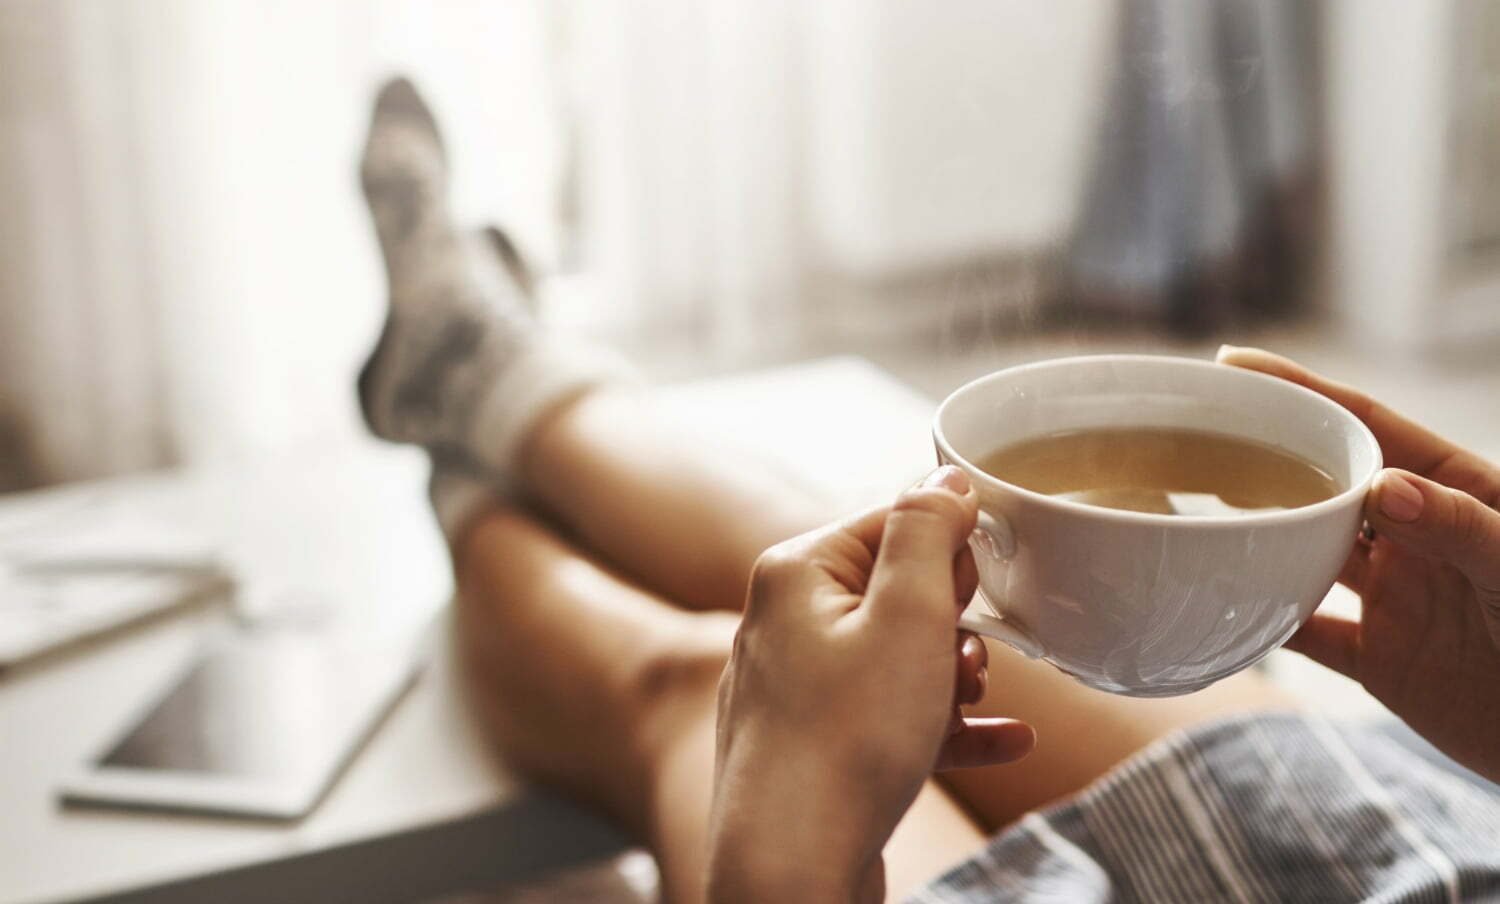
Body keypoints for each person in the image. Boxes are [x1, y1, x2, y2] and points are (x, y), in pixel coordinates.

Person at [356, 79, 1500, 902]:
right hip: (1422, 851)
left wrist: (787, 858)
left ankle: (467, 463)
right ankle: (482, 369)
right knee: (819, 587)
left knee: (703, 688)